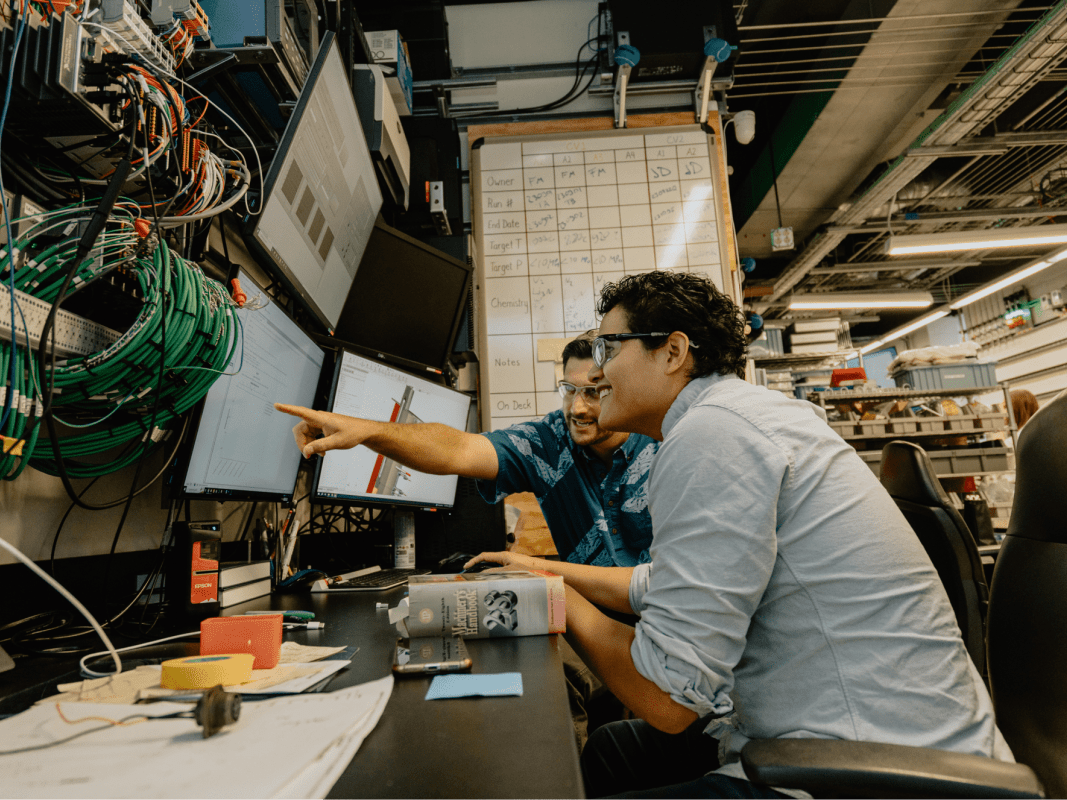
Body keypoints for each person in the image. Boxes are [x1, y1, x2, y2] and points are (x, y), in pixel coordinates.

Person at [469, 271, 1012, 800]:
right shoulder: (737, 416)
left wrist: (551, 599)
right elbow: (675, 580)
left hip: (860, 764)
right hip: (866, 733)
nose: (598, 373)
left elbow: (666, 697)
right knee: (612, 751)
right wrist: (547, 570)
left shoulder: (712, 436)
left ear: (673, 352)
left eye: (610, 349)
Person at [273, 331, 657, 568]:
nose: (577, 408)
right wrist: (367, 431)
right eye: (568, 390)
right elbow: (457, 448)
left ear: (617, 388)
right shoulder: (550, 441)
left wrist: (535, 569)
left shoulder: (662, 445)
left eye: (591, 392)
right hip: (595, 616)